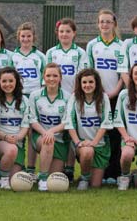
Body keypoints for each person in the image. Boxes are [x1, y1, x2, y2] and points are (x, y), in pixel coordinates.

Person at [46, 18, 89, 182]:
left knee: (71, 132)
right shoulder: (51, 53)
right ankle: (57, 164)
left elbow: (81, 76)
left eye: (68, 31)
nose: (64, 34)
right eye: (61, 31)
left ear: (74, 33)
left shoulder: (80, 53)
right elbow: (48, 75)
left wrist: (74, 95)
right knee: (58, 132)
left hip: (73, 98)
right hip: (55, 98)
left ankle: (70, 168)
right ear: (57, 33)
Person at [86, 9, 123, 184]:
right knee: (99, 133)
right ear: (98, 24)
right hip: (97, 97)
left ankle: (113, 173)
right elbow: (90, 72)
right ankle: (96, 170)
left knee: (115, 135)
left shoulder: (121, 46)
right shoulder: (92, 45)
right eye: (102, 21)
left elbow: (123, 73)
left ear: (114, 24)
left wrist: (115, 91)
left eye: (108, 21)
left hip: (114, 96)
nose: (105, 25)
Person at [64, 68, 113, 190]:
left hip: (99, 145)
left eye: (91, 82)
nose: (87, 85)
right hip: (82, 145)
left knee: (96, 185)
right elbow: (69, 123)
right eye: (84, 82)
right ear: (80, 84)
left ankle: (133, 176)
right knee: (87, 152)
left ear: (96, 83)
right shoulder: (74, 98)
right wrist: (78, 143)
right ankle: (84, 178)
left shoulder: (103, 98)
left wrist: (93, 143)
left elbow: (106, 123)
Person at [11, 22, 45, 179]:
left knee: (32, 131)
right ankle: (13, 163)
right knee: (16, 130)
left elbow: (44, 80)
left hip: (33, 98)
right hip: (17, 97)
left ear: (34, 37)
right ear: (18, 37)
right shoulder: (12, 56)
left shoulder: (40, 57)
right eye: (23, 36)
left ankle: (31, 168)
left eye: (28, 36)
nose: (25, 39)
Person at [29, 63, 70, 191]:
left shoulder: (68, 97)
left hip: (60, 140)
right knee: (48, 141)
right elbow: (32, 119)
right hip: (41, 138)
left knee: (55, 178)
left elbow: (67, 121)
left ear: (60, 78)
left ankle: (45, 174)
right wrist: (45, 133)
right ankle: (42, 179)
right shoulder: (35, 95)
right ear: (43, 77)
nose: (51, 79)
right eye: (48, 75)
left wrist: (52, 131)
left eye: (55, 75)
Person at [0, 67, 30, 189]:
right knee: (11, 150)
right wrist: (5, 137)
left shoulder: (24, 100)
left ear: (16, 82)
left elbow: (25, 125)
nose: (7, 84)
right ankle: (2, 180)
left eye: (10, 81)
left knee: (15, 179)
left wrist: (18, 137)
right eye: (4, 81)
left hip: (17, 142)